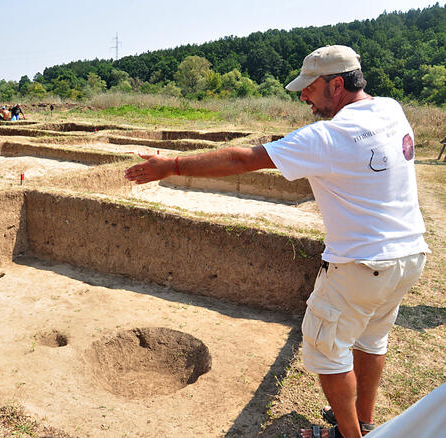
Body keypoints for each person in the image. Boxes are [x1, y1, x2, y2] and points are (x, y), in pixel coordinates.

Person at [124, 45, 429, 438]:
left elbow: (241, 160)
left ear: (337, 84)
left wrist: (173, 165)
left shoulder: (328, 136)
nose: (304, 96)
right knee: (370, 340)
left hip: (360, 265)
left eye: (310, 88)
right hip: (408, 256)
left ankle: (348, 436)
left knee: (327, 353)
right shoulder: (391, 109)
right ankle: (362, 422)